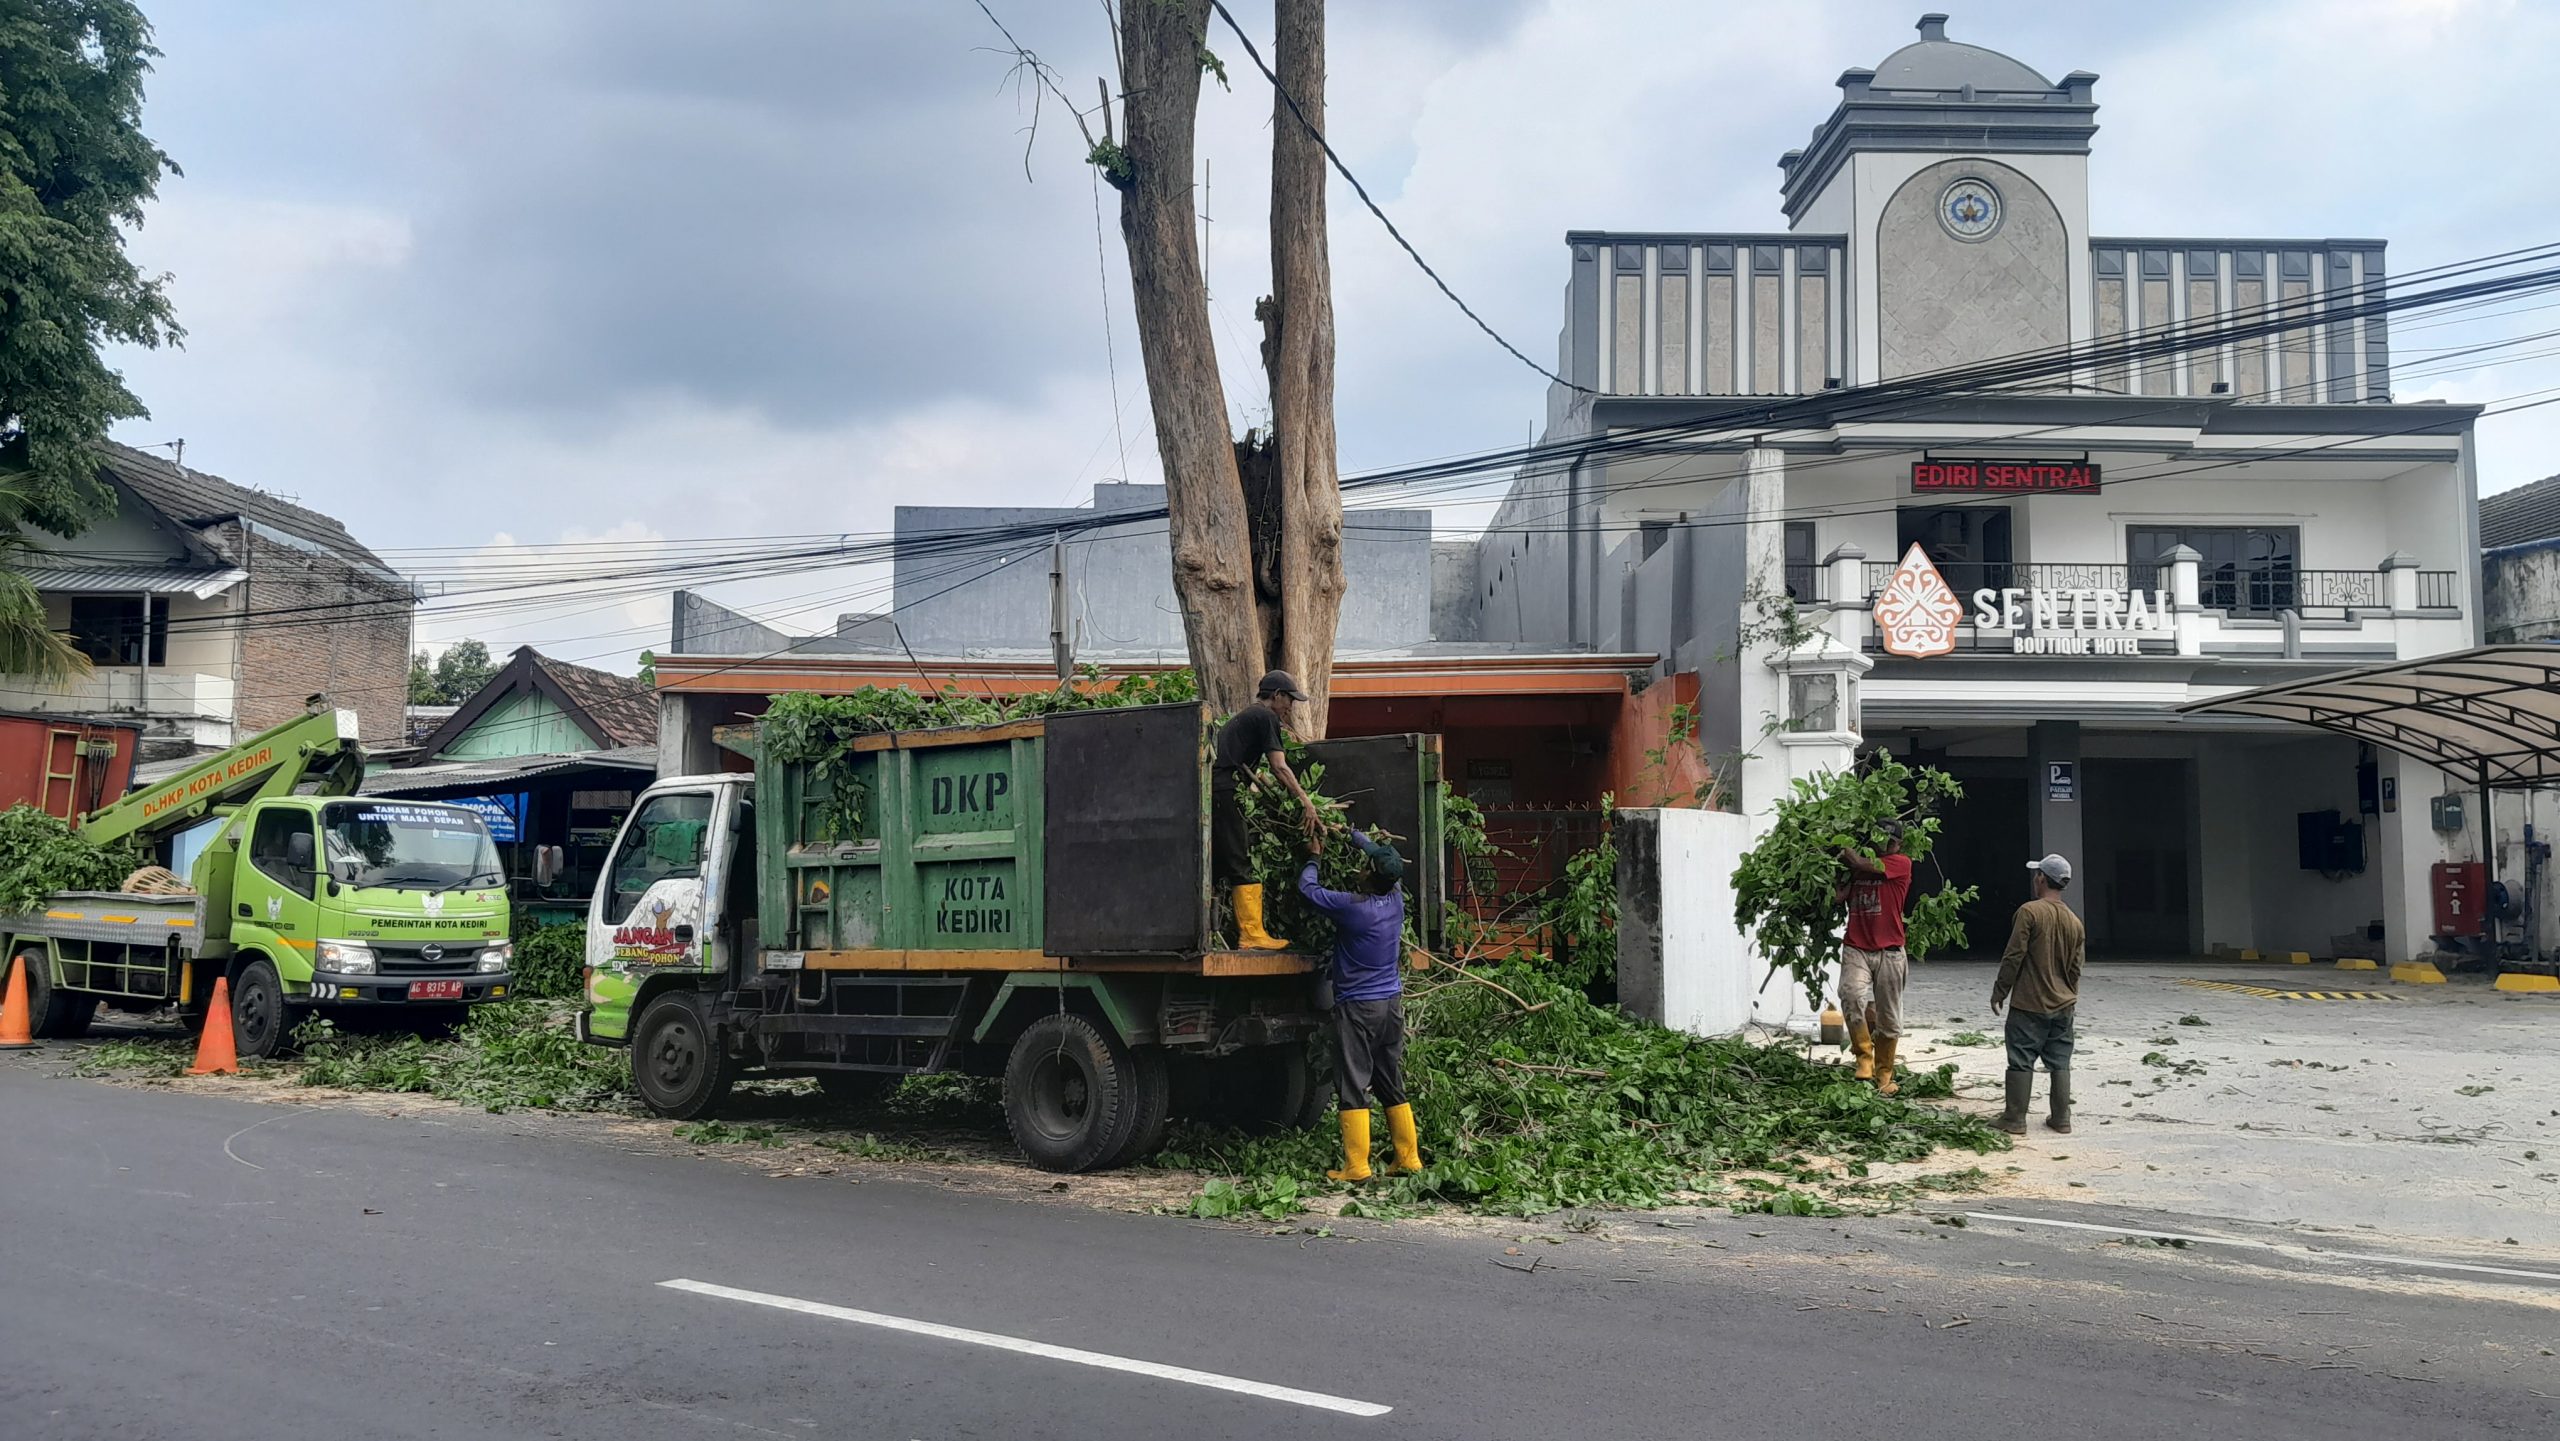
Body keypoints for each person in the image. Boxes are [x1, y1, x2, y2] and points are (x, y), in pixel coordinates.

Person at [1297, 827, 1421, 1182]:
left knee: (1353, 1080)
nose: (1361, 870)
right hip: (1390, 1005)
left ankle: (1356, 1166)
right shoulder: (1394, 897)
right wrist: (1352, 835)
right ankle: (1408, 1158)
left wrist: (1314, 856)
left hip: (1359, 1007)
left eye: (1365, 867)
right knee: (1389, 1078)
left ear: (1369, 875)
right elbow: (1379, 856)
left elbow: (1308, 890)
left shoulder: (1354, 909)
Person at [1211, 671, 1320, 950]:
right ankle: (1251, 935)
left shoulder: (1249, 716)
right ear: (1277, 696)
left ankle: (1227, 930)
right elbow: (1280, 765)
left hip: (1222, 790)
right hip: (1226, 791)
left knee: (1222, 861)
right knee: (1240, 858)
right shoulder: (1265, 716)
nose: (1290, 708)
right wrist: (1306, 803)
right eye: (1289, 701)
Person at [1992, 853, 2086, 1135]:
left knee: (2021, 1058)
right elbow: (2075, 968)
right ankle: (2061, 1118)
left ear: (2042, 878)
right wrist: (2068, 994)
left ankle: (2015, 1118)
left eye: (2037, 875)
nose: (2035, 879)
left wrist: (2001, 990)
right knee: (2060, 1060)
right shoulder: (2074, 921)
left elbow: (2014, 955)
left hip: (2029, 1003)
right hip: (2064, 1004)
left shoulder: (2029, 912)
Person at [1837, 820, 1915, 1095]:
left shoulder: (1900, 863)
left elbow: (1871, 866)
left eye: (1890, 841)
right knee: (1850, 995)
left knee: (1889, 1017)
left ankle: (1885, 1074)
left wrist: (1851, 856)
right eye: (1881, 840)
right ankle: (1864, 1058)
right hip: (1857, 946)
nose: (1885, 846)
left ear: (1898, 844)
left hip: (1890, 952)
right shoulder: (1856, 869)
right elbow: (1838, 897)